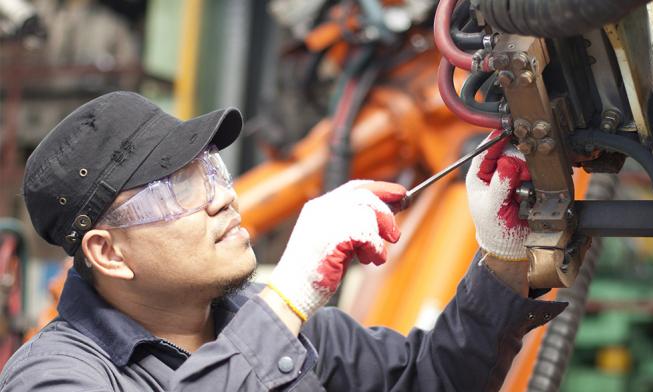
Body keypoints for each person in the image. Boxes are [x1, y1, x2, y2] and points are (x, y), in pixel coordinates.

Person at [0, 91, 564, 391]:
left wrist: (503, 255)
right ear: (107, 252)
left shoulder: (298, 336)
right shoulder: (54, 376)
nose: (223, 199)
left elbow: (434, 382)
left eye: (211, 172)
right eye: (174, 192)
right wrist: (287, 297)